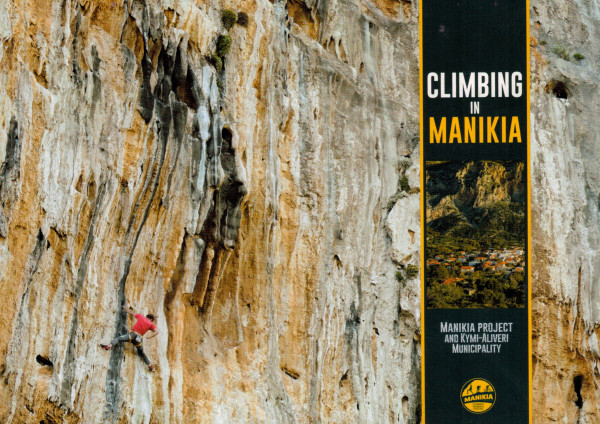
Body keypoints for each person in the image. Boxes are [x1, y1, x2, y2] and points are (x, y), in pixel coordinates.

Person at [101, 304, 159, 371]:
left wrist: (124, 307)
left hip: (132, 335)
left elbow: (131, 312)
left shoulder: (141, 317)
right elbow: (157, 331)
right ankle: (150, 366)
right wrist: (149, 337)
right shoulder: (151, 324)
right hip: (139, 339)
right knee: (141, 352)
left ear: (147, 317)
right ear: (151, 319)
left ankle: (109, 346)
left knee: (119, 339)